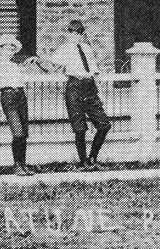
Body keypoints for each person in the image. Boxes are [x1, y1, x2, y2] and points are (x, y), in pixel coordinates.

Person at [38, 19, 112, 171]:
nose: (75, 36)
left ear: (82, 34)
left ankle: (92, 158)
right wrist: (38, 61)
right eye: (72, 33)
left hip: (90, 88)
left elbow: (94, 72)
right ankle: (83, 162)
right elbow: (52, 67)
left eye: (78, 33)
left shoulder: (86, 48)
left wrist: (101, 93)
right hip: (74, 88)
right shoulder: (64, 49)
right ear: (68, 33)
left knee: (104, 125)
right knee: (80, 129)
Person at [0, 33, 34, 176]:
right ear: (0, 49)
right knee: (17, 132)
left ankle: (23, 165)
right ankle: (17, 165)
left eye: (12, 49)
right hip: (7, 97)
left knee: (23, 133)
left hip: (21, 96)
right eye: (6, 48)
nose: (10, 51)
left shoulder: (15, 66)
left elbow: (23, 83)